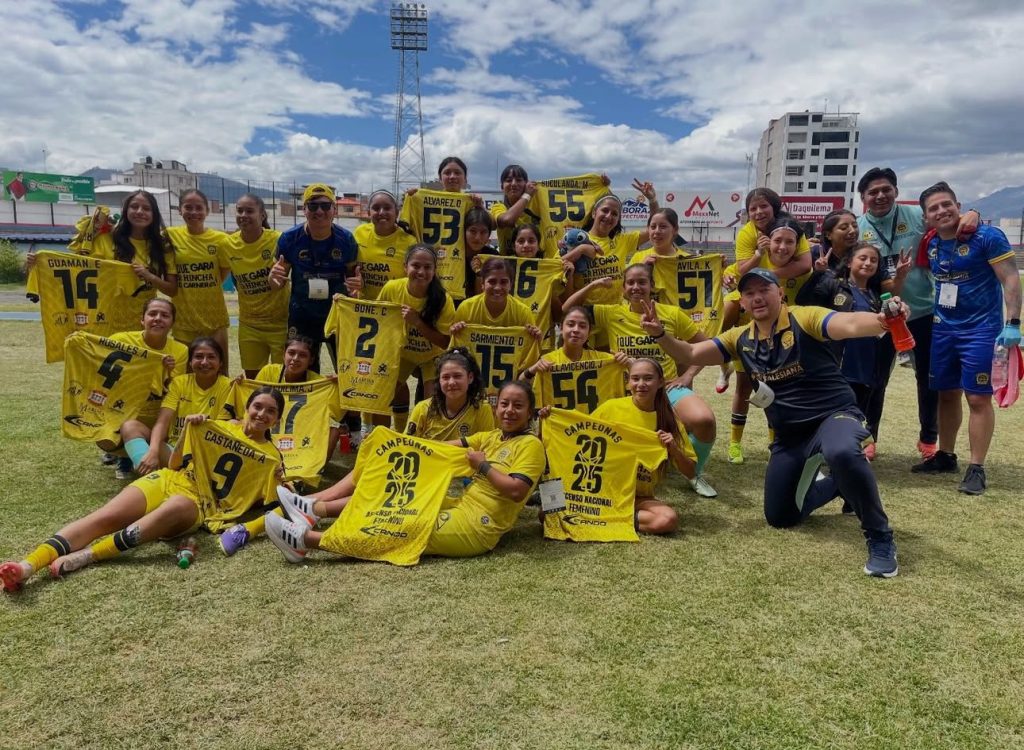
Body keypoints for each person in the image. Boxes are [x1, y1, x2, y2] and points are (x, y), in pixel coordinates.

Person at [648, 268, 903, 577]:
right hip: (789, 436)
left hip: (833, 416)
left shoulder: (804, 318)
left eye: (764, 290)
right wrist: (660, 334)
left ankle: (880, 538)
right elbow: (690, 352)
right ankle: (840, 483)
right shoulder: (739, 338)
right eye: (749, 293)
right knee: (780, 517)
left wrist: (882, 320)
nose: (757, 297)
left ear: (780, 293)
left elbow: (847, 323)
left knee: (842, 452)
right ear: (742, 303)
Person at [0, 388, 284, 591]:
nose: (262, 414)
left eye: (271, 411)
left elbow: (269, 502)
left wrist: (280, 481)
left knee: (173, 507)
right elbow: (174, 464)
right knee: (105, 517)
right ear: (247, 407)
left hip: (196, 504)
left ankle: (90, 555)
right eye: (257, 406)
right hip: (169, 479)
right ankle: (27, 566)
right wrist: (188, 430)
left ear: (278, 419)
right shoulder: (215, 427)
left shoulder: (272, 458)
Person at [265, 381, 546, 561]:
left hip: (477, 525)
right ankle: (315, 510)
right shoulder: (492, 437)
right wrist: (398, 446)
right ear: (497, 408)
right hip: (460, 504)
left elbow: (516, 490)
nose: (509, 411)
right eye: (504, 404)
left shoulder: (531, 445)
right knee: (400, 498)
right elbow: (435, 448)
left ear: (530, 411)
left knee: (402, 527)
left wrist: (482, 466)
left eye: (518, 406)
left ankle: (305, 541)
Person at [856, 167, 980, 461]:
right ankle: (868, 437)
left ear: (896, 192)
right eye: (873, 192)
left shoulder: (916, 216)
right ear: (863, 198)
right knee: (874, 380)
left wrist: (973, 213)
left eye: (886, 189)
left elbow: (951, 220)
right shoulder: (858, 227)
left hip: (923, 311)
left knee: (928, 379)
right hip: (879, 316)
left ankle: (928, 439)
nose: (880, 196)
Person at [563, 263, 718, 497]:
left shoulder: (672, 313)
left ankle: (692, 472)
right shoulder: (611, 313)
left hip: (666, 388)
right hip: (625, 390)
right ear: (623, 288)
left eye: (642, 282)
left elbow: (707, 346)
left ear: (652, 285)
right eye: (631, 283)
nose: (636, 287)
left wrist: (687, 375)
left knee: (704, 420)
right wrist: (594, 285)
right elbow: (567, 309)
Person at [911, 182, 1022, 495]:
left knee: (977, 398)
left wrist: (1013, 323)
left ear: (958, 205)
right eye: (933, 208)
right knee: (946, 394)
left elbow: (1010, 278)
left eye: (946, 204)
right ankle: (946, 456)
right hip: (943, 330)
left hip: (981, 330)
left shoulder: (987, 237)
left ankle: (977, 468)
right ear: (926, 218)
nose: (941, 211)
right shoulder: (932, 243)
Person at [719, 189, 811, 463]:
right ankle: (735, 443)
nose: (759, 212)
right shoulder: (749, 235)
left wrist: (764, 277)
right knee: (744, 386)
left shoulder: (792, 231)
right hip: (751, 325)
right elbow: (739, 273)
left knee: (777, 389)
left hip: (781, 327)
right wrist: (752, 265)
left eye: (764, 207)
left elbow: (805, 265)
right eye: (753, 208)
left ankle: (776, 444)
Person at [799, 242, 906, 458]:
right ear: (849, 262)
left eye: (873, 260)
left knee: (861, 409)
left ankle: (859, 445)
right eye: (862, 258)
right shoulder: (834, 286)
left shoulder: (877, 296)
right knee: (835, 410)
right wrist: (817, 274)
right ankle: (824, 448)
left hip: (867, 366)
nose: (868, 263)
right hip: (839, 366)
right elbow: (805, 301)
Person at [590, 358, 697, 534]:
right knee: (548, 512)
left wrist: (674, 450)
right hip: (600, 490)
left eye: (648, 378)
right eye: (635, 378)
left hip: (637, 497)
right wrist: (550, 417)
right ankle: (607, 514)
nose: (641, 384)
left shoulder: (669, 420)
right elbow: (578, 436)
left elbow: (691, 472)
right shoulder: (611, 408)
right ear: (627, 382)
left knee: (667, 520)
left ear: (660, 382)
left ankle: (601, 517)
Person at [269, 183, 358, 373]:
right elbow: (276, 284)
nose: (319, 211)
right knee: (302, 372)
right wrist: (273, 278)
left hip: (337, 315)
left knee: (346, 371)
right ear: (304, 210)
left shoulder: (347, 240)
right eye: (313, 205)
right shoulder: (289, 238)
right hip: (302, 315)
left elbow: (354, 284)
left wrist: (357, 287)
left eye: (325, 206)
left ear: (334, 210)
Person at [120, 336, 232, 476]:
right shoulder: (179, 383)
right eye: (198, 357)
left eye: (211, 357)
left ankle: (170, 477)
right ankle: (151, 475)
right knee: (130, 427)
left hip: (205, 457)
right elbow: (162, 421)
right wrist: (153, 451)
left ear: (220, 363)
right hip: (174, 452)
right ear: (190, 362)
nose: (204, 362)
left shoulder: (228, 386)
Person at [104, 298, 189, 479]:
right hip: (126, 415)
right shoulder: (120, 340)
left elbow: (173, 393)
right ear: (142, 319)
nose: (158, 318)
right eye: (152, 314)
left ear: (172, 323)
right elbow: (99, 368)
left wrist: (167, 371)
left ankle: (150, 474)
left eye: (165, 315)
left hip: (160, 419)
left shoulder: (180, 351)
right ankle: (128, 457)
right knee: (107, 437)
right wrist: (79, 342)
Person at [378, 244, 457, 405]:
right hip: (402, 352)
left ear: (435, 270)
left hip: (432, 355)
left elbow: (446, 343)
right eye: (415, 266)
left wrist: (418, 322)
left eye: (427, 267)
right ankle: (394, 421)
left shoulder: (443, 299)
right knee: (383, 395)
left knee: (431, 403)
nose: (421, 272)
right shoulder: (392, 288)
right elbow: (377, 319)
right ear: (405, 267)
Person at [222, 193, 287, 378]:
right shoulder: (227, 244)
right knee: (253, 380)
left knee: (282, 379)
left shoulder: (279, 240)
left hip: (280, 323)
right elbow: (227, 277)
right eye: (240, 211)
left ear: (262, 215)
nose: (243, 215)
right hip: (249, 324)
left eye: (249, 211)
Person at [164, 189, 230, 367]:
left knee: (219, 371)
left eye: (199, 208)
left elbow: (222, 274)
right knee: (185, 373)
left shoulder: (221, 240)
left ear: (207, 211)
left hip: (214, 319)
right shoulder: (170, 236)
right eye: (188, 207)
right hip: (184, 321)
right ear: (180, 210)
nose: (194, 212)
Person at [566, 184, 658, 306]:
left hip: (615, 312)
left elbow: (652, 228)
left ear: (618, 219)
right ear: (594, 213)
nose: (609, 216)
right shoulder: (577, 239)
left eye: (614, 214)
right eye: (605, 210)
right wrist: (580, 250)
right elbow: (559, 266)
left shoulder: (623, 241)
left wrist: (652, 200)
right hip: (585, 312)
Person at [523, 305, 626, 414]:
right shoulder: (547, 360)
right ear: (561, 328)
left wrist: (629, 364)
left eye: (582, 326)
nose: (576, 330)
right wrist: (532, 370)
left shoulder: (607, 361)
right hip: (561, 423)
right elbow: (521, 387)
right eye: (571, 324)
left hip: (596, 423)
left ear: (589, 332)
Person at [406, 348, 495, 440]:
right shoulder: (422, 409)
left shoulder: (482, 409)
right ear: (439, 380)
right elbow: (405, 443)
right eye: (445, 377)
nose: (451, 382)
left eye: (457, 376)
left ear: (470, 377)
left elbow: (488, 444)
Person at [352, 190, 418, 300]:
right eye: (376, 208)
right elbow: (351, 267)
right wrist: (355, 283)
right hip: (365, 305)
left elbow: (414, 280)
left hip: (394, 306)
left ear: (397, 213)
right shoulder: (359, 232)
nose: (381, 212)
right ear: (368, 212)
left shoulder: (409, 242)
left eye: (387, 208)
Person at [491, 164, 540, 255]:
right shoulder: (498, 207)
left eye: (519, 180)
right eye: (508, 180)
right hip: (506, 263)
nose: (513, 184)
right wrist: (527, 195)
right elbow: (507, 220)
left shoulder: (537, 207)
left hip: (538, 262)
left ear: (526, 184)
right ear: (502, 187)